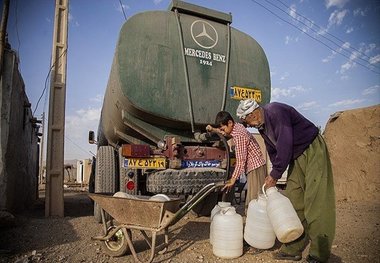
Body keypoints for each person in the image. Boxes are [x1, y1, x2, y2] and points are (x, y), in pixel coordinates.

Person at [236, 99, 335, 263]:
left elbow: (284, 142)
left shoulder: (275, 111)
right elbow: (272, 150)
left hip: (311, 149)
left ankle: (319, 252)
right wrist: (273, 172)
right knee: (294, 200)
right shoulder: (262, 126)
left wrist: (275, 174)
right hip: (295, 156)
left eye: (248, 122)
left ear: (252, 113)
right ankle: (293, 249)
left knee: (316, 201)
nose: (251, 126)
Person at [206, 111, 267, 213]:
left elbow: (240, 161)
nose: (223, 131)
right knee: (256, 200)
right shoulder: (236, 127)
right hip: (256, 166)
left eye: (223, 128)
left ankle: (253, 224)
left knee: (254, 201)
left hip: (256, 168)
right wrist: (213, 129)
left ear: (229, 123)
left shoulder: (239, 136)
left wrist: (233, 179)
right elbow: (224, 132)